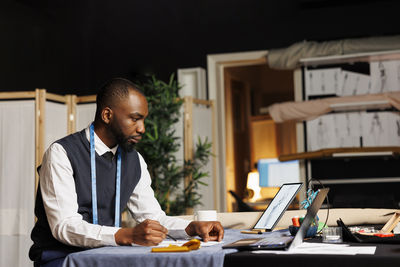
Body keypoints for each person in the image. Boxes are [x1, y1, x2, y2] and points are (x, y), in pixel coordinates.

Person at [29, 78, 224, 267]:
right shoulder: (61, 153)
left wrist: (190, 228)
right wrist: (127, 235)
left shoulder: (134, 160)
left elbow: (154, 217)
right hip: (60, 258)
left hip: (106, 256)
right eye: (134, 118)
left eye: (143, 120)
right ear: (107, 115)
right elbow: (64, 227)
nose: (142, 129)